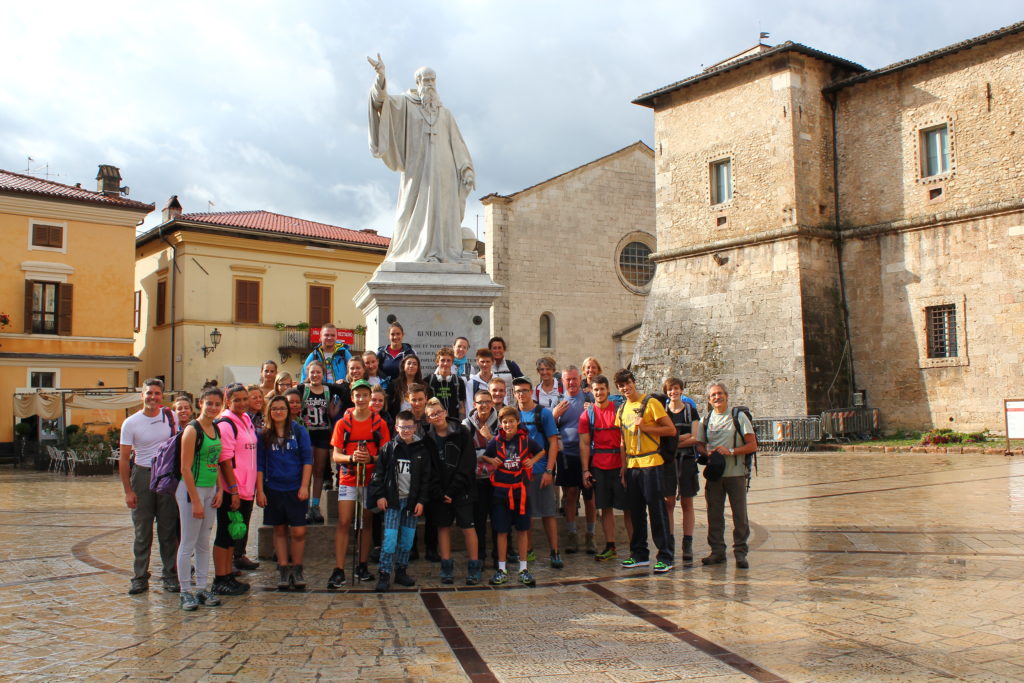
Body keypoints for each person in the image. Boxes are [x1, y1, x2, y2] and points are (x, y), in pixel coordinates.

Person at [367, 56, 475, 263]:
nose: (429, 84)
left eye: (432, 80)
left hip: (445, 173)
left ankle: (442, 252)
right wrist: (380, 77)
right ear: (417, 82)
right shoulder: (406, 104)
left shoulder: (445, 114)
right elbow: (380, 102)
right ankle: (415, 250)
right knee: (411, 212)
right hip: (417, 171)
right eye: (425, 80)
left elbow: (458, 144)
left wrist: (466, 169)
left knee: (442, 212)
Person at [119, 378, 180, 594]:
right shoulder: (131, 423)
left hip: (166, 478)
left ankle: (170, 575)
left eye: (156, 393)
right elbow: (125, 459)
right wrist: (128, 490)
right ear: (141, 395)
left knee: (168, 528)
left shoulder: (171, 417)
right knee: (142, 530)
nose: (152, 397)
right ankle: (139, 576)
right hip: (143, 475)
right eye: (148, 393)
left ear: (162, 396)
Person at [614, 369, 677, 575]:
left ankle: (665, 556)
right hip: (632, 466)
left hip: (651, 462)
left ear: (634, 382)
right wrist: (623, 466)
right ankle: (639, 554)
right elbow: (622, 440)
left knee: (657, 510)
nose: (626, 388)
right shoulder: (622, 409)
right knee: (636, 512)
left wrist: (647, 428)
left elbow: (670, 430)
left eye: (628, 383)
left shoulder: (651, 403)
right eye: (621, 385)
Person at [328, 380, 390, 588]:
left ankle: (362, 564)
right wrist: (352, 458)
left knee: (366, 522)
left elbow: (385, 453)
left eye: (366, 395)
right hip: (349, 477)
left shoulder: (379, 423)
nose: (362, 399)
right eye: (358, 395)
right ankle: (338, 569)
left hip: (370, 479)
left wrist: (370, 460)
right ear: (352, 398)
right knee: (345, 521)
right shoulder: (342, 424)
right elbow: (336, 455)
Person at [695, 381, 757, 569]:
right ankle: (717, 551)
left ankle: (740, 553)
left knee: (739, 515)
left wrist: (730, 451)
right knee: (714, 514)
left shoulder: (738, 417)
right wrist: (707, 453)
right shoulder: (706, 419)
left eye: (720, 393)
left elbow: (752, 445)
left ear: (727, 396)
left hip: (735, 474)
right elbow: (699, 443)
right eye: (713, 395)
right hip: (715, 475)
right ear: (709, 399)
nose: (717, 397)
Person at [369, 411, 432, 592]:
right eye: (402, 427)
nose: (406, 430)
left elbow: (426, 479)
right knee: (389, 539)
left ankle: (401, 570)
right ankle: (384, 572)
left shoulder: (421, 450)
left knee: (406, 540)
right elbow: (378, 475)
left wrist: (421, 500)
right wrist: (380, 495)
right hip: (393, 502)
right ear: (396, 428)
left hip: (411, 503)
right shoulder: (389, 449)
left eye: (409, 427)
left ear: (415, 427)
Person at [174, 386, 224, 611]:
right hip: (191, 489)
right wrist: (195, 500)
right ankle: (185, 591)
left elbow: (217, 462)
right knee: (188, 542)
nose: (213, 407)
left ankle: (203, 587)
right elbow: (185, 468)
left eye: (217, 404)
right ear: (201, 403)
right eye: (209, 403)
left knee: (204, 542)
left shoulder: (215, 428)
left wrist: (219, 489)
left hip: (210, 489)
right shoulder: (192, 430)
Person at [482, 406, 545, 586]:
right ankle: (501, 569)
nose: (508, 425)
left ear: (517, 422)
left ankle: (523, 568)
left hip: (521, 492)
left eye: (511, 421)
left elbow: (541, 450)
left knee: (523, 530)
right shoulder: (496, 441)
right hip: (501, 493)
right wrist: (491, 460)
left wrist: (532, 461)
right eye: (504, 422)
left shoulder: (525, 440)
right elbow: (485, 456)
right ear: (501, 424)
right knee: (501, 531)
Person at [256, 395, 313, 591]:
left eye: (282, 408)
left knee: (298, 530)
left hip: (295, 487)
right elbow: (260, 465)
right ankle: (283, 567)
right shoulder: (264, 434)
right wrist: (260, 491)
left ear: (289, 411)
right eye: (274, 408)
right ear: (269, 412)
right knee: (279, 529)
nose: (278, 411)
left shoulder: (299, 431)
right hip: (274, 488)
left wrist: (304, 486)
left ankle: (297, 568)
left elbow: (307, 460)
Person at [424, 398, 480, 585]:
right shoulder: (427, 438)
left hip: (462, 489)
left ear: (445, 412)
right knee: (443, 527)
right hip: (440, 493)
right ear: (428, 418)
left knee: (468, 527)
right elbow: (429, 468)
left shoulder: (462, 433)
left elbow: (467, 463)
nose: (437, 416)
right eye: (433, 414)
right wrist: (440, 492)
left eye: (439, 412)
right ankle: (446, 566)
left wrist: (453, 490)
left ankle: (474, 566)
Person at [212, 383, 259, 594]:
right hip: (233, 489)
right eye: (236, 400)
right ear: (228, 401)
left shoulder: (246, 419)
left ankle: (228, 574)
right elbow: (225, 460)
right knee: (224, 533)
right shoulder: (225, 424)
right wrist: (233, 490)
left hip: (246, 488)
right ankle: (220, 578)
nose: (241, 403)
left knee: (234, 533)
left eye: (244, 399)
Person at [512, 377, 562, 568]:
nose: (522, 394)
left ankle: (555, 552)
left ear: (531, 391)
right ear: (514, 393)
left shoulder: (544, 414)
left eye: (525, 390)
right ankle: (529, 551)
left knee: (548, 513)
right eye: (518, 391)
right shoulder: (512, 414)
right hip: (519, 474)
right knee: (525, 514)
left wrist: (549, 470)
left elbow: (553, 443)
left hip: (541, 471)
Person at [580, 375, 631, 561]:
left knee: (628, 508)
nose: (599, 392)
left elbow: (624, 440)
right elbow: (585, 444)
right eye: (596, 390)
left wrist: (625, 466)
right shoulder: (587, 414)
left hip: (619, 465)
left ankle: (635, 547)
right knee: (605, 508)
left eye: (602, 389)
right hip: (599, 466)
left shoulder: (618, 410)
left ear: (608, 390)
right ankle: (610, 546)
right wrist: (585, 470)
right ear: (591, 392)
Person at [552, 365, 596, 554]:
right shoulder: (558, 401)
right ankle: (572, 536)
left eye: (574, 378)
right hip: (567, 455)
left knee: (590, 497)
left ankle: (590, 536)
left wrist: (593, 410)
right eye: (567, 379)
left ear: (580, 378)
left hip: (589, 454)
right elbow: (550, 428)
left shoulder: (589, 398)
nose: (571, 382)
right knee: (569, 496)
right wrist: (554, 416)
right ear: (562, 381)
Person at [300, 361, 344, 525]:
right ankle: (304, 506)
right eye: (312, 372)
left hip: (323, 433)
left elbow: (344, 392)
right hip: (306, 435)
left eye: (318, 372)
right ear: (307, 373)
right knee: (306, 470)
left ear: (323, 374)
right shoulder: (302, 389)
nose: (315, 375)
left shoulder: (328, 389)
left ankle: (315, 505)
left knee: (319, 471)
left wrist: (337, 406)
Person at [663, 377, 701, 562]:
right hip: (668, 462)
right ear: (666, 392)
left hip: (686, 460)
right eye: (670, 389)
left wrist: (673, 440)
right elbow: (661, 439)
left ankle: (688, 542)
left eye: (676, 389)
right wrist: (683, 437)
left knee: (687, 503)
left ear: (681, 390)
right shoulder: (663, 412)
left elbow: (696, 437)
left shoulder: (690, 411)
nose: (673, 392)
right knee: (668, 502)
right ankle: (669, 542)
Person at [463, 389, 499, 568]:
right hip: (476, 479)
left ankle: (500, 554)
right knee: (479, 519)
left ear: (492, 403)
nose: (483, 405)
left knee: (498, 518)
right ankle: (481, 554)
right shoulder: (466, 425)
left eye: (487, 401)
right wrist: (487, 455)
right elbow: (466, 453)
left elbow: (506, 452)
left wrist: (490, 439)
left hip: (497, 478)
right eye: (480, 402)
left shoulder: (501, 422)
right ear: (474, 404)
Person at [427, 346, 467, 419]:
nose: (445, 363)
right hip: (434, 422)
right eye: (442, 360)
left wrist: (461, 424)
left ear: (452, 363)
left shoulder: (459, 382)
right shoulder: (428, 381)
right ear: (437, 362)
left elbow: (461, 406)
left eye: (448, 360)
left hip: (454, 422)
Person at [489, 337, 523, 404]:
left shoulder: (511, 365)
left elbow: (523, 383)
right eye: (494, 348)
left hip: (509, 406)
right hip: (491, 407)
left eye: (499, 348)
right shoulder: (487, 366)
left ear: (504, 349)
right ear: (490, 350)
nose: (497, 350)